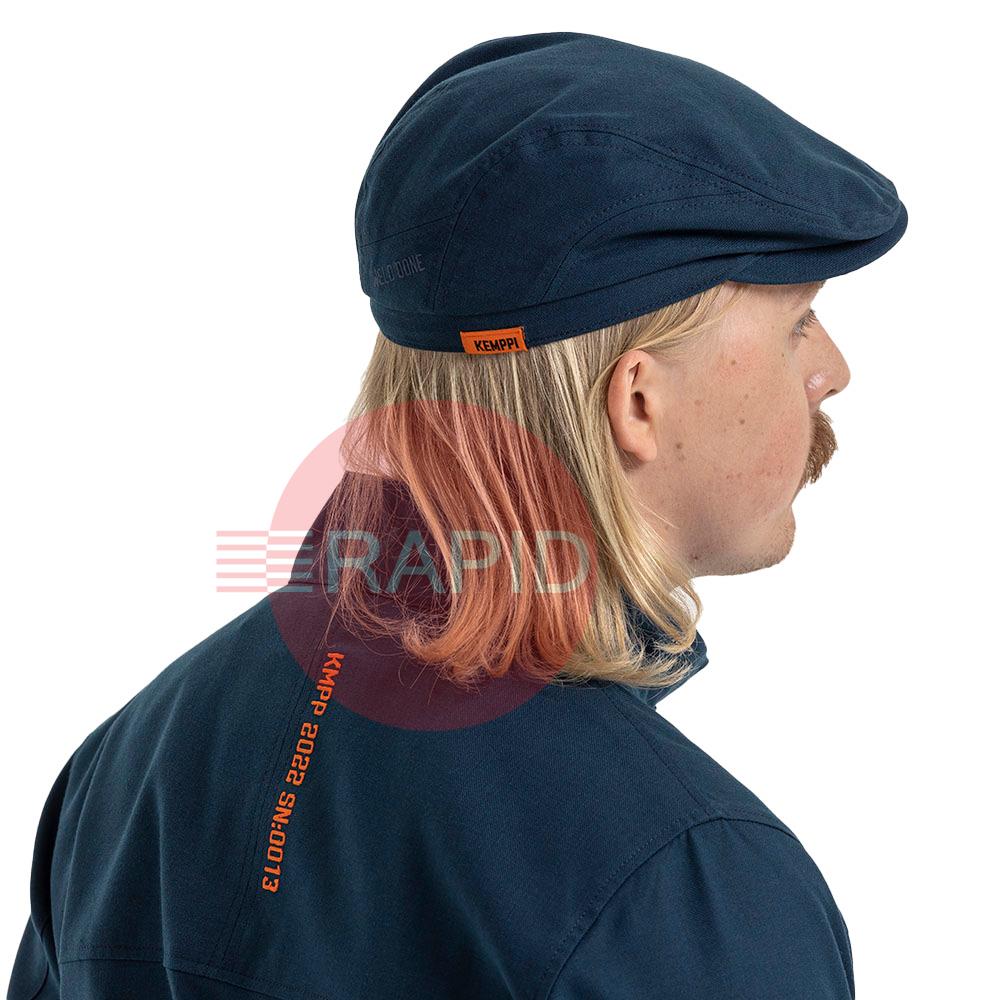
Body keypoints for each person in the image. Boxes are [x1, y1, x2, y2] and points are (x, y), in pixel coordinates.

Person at [7, 31, 907, 1000]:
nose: (832, 370)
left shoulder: (128, 771)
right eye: (797, 323)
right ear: (637, 399)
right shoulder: (674, 885)